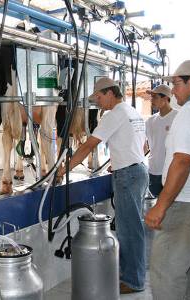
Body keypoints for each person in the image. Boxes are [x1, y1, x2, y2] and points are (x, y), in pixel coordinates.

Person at [60, 77, 148, 294]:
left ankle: (133, 281)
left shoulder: (114, 115)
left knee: (129, 230)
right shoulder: (132, 112)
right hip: (137, 171)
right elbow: (142, 145)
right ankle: (132, 274)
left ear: (110, 93)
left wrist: (64, 169)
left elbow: (89, 145)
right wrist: (119, 161)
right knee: (133, 228)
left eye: (99, 97)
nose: (97, 102)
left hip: (128, 176)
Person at [145, 60, 190, 300]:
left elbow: (182, 161)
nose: (174, 90)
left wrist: (161, 205)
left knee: (165, 273)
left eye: (176, 84)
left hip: (187, 205)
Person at [145, 84, 177, 197]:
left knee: (172, 208)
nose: (151, 100)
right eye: (151, 97)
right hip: (153, 170)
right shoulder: (150, 121)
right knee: (156, 205)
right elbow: (145, 146)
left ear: (165, 98)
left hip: (171, 172)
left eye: (155, 97)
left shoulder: (178, 117)